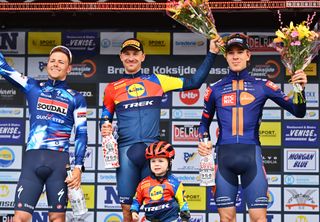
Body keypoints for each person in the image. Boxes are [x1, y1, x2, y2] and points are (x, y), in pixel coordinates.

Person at [100, 37, 223, 221]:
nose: (131, 58)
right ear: (121, 57)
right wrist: (105, 126)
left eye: (135, 54)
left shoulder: (157, 80)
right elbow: (105, 117)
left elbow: (194, 82)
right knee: (127, 209)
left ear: (143, 56)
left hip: (154, 154)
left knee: (159, 207)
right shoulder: (111, 88)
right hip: (126, 154)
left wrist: (212, 53)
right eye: (127, 54)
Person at [198, 33, 307, 222]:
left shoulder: (263, 85)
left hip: (252, 159)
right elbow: (203, 125)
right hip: (224, 159)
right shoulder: (214, 89)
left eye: (240, 52)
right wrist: (204, 142)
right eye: (231, 52)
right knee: (227, 219)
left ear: (248, 55)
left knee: (259, 219)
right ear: (225, 56)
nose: (235, 56)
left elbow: (298, 111)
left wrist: (300, 89)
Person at [0, 46, 87, 222]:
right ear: (47, 64)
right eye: (52, 60)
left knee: (57, 218)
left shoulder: (76, 98)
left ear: (69, 69)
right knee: (20, 218)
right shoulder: (33, 87)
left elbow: (81, 134)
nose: (56, 64)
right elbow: (4, 68)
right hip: (32, 162)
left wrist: (78, 167)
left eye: (61, 62)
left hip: (59, 165)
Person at [130, 141, 190, 222]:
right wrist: (134, 212)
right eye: (153, 161)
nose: (156, 164)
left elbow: (183, 202)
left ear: (169, 164)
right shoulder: (143, 184)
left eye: (160, 161)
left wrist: (185, 217)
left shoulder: (175, 183)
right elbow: (136, 200)